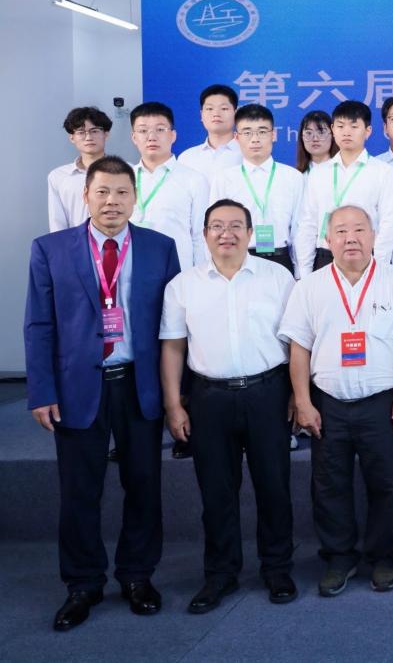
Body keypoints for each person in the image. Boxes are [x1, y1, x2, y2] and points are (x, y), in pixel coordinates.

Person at [24, 155, 181, 631]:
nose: (112, 201)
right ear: (86, 196)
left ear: (135, 198)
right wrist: (41, 390)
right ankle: (83, 583)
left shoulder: (160, 247)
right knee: (79, 490)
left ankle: (137, 576)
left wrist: (177, 395)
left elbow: (173, 327)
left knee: (144, 486)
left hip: (139, 383)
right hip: (77, 386)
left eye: (122, 193)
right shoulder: (50, 249)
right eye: (102, 192)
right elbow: (39, 324)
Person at [158, 199, 297, 613]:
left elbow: (297, 342)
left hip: (268, 392)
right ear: (204, 234)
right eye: (217, 226)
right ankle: (220, 574)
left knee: (274, 486)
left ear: (250, 233)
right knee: (216, 491)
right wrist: (173, 404)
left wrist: (297, 393)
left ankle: (277, 568)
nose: (226, 233)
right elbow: (172, 347)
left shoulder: (278, 277)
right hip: (209, 398)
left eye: (236, 225)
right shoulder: (183, 285)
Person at [280, 205, 393, 597]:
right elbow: (299, 348)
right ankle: (339, 557)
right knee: (329, 484)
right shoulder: (309, 287)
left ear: (374, 236)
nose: (351, 238)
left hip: (384, 401)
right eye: (341, 231)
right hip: (328, 403)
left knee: (387, 482)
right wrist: (303, 401)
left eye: (359, 229)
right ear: (328, 240)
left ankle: (385, 556)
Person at [294, 100, 393, 276]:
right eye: (340, 126)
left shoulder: (383, 172)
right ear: (333, 130)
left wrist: (378, 266)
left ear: (368, 131)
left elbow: (389, 223)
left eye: (354, 126)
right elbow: (308, 223)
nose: (346, 132)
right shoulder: (319, 173)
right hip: (325, 256)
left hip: (365, 257)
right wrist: (305, 271)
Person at [209, 105, 305, 273]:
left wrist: (300, 273)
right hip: (238, 260)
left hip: (281, 259)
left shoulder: (293, 177)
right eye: (247, 132)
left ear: (273, 135)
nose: (255, 139)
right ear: (236, 138)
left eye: (262, 132)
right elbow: (214, 228)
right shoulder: (224, 179)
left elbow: (300, 229)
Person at [130, 102, 211, 270]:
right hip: (131, 267)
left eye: (160, 129)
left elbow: (199, 236)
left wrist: (200, 275)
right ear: (134, 137)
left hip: (177, 270)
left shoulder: (194, 180)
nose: (151, 137)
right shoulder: (124, 178)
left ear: (173, 135)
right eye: (143, 131)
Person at [49, 106, 111, 232]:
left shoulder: (126, 172)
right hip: (74, 242)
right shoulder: (58, 176)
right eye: (81, 132)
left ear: (106, 134)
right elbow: (57, 222)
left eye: (94, 131)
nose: (88, 137)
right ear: (72, 137)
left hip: (117, 241)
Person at [178, 84, 243, 177]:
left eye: (224, 108)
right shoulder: (187, 158)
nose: (216, 114)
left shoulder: (248, 154)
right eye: (209, 109)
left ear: (236, 114)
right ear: (201, 114)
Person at [296, 110, 335, 174]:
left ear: (333, 135)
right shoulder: (296, 175)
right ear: (301, 137)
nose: (315, 139)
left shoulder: (343, 171)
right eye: (309, 133)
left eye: (321, 132)